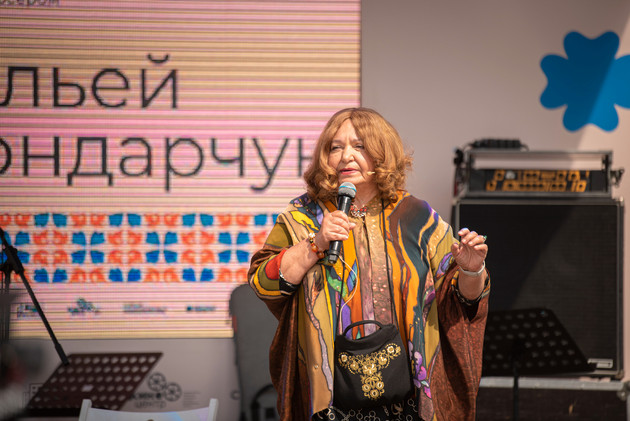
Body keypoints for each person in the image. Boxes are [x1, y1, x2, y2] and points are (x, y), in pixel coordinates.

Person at [248, 107, 489, 421]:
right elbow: (263, 284)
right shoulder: (301, 216)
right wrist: (315, 244)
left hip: (407, 399)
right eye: (335, 147)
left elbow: (463, 302)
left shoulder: (417, 215)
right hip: (329, 400)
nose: (346, 156)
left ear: (381, 153)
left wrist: (472, 270)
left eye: (359, 146)